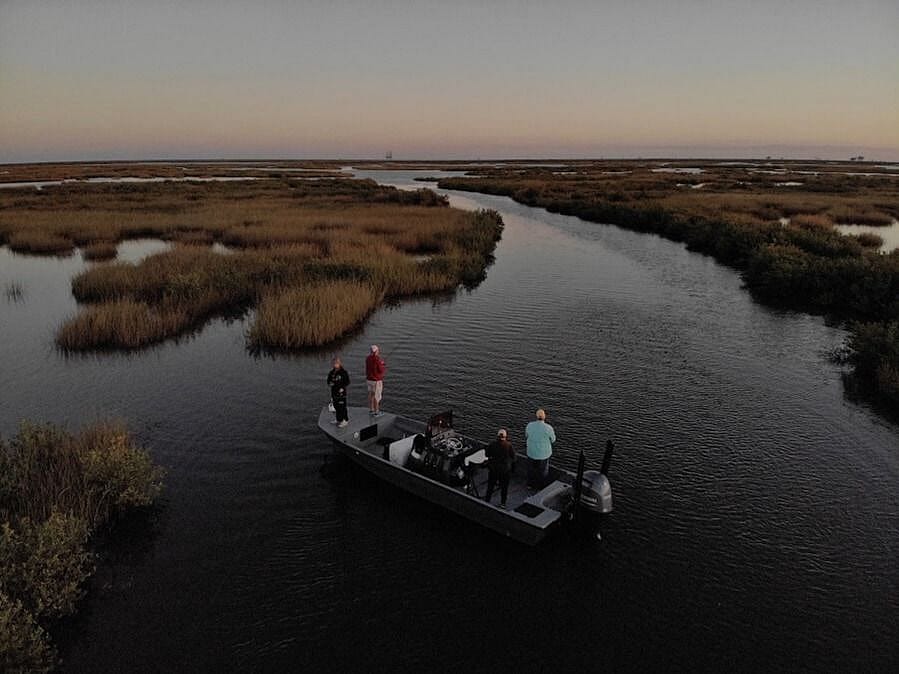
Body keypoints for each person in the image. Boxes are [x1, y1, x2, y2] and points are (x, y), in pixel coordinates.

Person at [485, 428, 515, 508]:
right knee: (504, 487)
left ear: (497, 436)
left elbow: (487, 454)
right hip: (505, 470)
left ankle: (487, 500)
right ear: (505, 437)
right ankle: (503, 503)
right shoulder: (509, 445)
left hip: (494, 469)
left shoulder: (492, 444)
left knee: (490, 485)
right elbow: (513, 457)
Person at [525, 409, 556, 489]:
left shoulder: (530, 425)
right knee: (543, 471)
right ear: (544, 417)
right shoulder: (548, 428)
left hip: (531, 452)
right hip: (544, 454)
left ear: (536, 416)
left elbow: (526, 435)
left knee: (531, 469)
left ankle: (530, 485)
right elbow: (553, 440)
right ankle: (541, 487)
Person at [327, 357, 350, 428]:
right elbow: (328, 381)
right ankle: (338, 419)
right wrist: (329, 383)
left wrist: (342, 388)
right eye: (333, 363)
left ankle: (345, 420)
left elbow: (347, 382)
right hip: (334, 393)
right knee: (336, 407)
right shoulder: (331, 372)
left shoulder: (343, 372)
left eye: (336, 363)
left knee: (342, 407)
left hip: (341, 394)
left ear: (339, 363)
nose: (334, 365)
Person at [365, 344, 386, 416]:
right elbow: (380, 370)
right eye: (378, 350)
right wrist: (383, 365)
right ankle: (376, 412)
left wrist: (380, 363)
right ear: (376, 351)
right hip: (376, 381)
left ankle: (371, 410)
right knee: (377, 396)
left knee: (371, 395)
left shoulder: (367, 358)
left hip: (369, 380)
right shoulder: (377, 359)